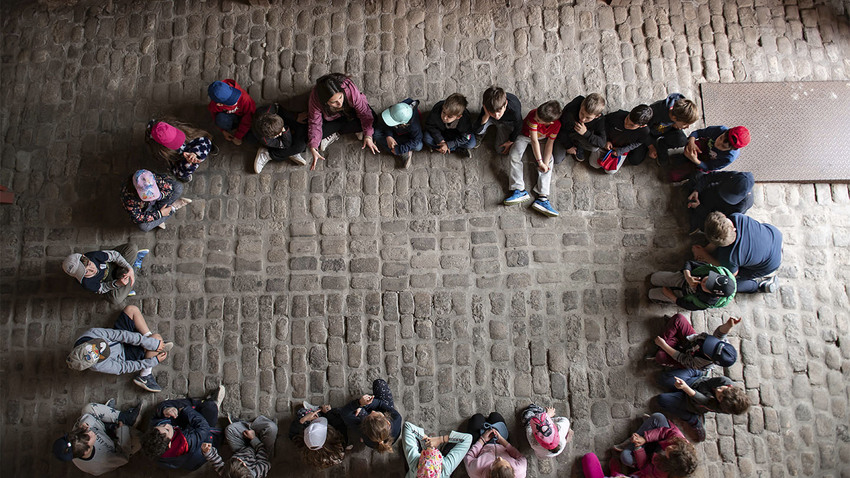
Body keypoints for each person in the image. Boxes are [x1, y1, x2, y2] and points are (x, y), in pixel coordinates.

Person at [66, 305, 172, 392]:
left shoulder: (92, 333)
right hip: (124, 354)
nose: (104, 346)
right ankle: (145, 374)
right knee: (156, 338)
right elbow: (123, 367)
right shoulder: (98, 366)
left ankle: (153, 344)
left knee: (131, 309)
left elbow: (121, 335)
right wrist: (152, 361)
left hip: (119, 340)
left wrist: (149, 342)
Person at [692, 212, 782, 293]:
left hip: (770, 263)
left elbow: (731, 274)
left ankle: (758, 286)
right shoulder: (737, 217)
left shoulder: (730, 256)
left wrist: (705, 255)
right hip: (774, 235)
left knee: (729, 284)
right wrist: (705, 250)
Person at [503, 100, 563, 217]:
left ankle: (542, 197)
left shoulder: (556, 125)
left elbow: (550, 143)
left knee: (550, 160)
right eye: (536, 117)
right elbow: (533, 140)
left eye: (539, 120)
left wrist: (544, 164)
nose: (536, 119)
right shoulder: (533, 115)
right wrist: (539, 161)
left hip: (542, 141)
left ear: (550, 122)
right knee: (514, 154)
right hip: (525, 136)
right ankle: (519, 189)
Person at [142, 386, 225, 471]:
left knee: (172, 408)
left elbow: (156, 415)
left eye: (161, 426)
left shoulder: (157, 448)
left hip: (185, 433)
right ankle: (211, 403)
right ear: (169, 444)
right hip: (203, 440)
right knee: (210, 408)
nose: (166, 425)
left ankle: (199, 404)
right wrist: (186, 410)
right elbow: (203, 427)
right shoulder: (186, 443)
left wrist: (165, 410)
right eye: (167, 430)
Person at [307, 73, 378, 170]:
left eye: (340, 97)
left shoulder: (348, 88)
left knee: (373, 120)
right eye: (334, 102)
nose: (339, 103)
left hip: (350, 112)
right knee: (311, 138)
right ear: (325, 102)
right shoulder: (316, 99)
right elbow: (315, 122)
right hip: (332, 118)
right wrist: (313, 147)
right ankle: (341, 131)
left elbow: (364, 112)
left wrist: (368, 136)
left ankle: (339, 131)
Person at [52, 399, 141, 476]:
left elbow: (88, 418)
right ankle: (115, 423)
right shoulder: (102, 462)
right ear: (87, 451)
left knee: (88, 408)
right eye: (89, 437)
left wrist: (86, 422)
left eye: (84, 431)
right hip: (114, 445)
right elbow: (123, 457)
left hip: (102, 429)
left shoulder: (77, 437)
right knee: (140, 439)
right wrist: (122, 430)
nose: (91, 432)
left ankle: (123, 418)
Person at [652, 314, 740, 388]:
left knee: (660, 356)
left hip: (685, 355)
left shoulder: (702, 364)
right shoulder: (721, 345)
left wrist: (664, 345)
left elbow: (682, 358)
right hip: (691, 340)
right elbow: (720, 333)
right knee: (679, 318)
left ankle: (667, 340)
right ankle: (667, 340)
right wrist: (729, 325)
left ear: (713, 360)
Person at [657, 375, 751, 442]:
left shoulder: (723, 407)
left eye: (720, 397)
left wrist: (685, 388)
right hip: (696, 383)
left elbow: (703, 401)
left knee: (662, 400)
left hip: (694, 403)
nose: (718, 390)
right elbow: (704, 384)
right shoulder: (724, 381)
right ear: (730, 387)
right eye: (723, 389)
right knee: (663, 379)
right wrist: (707, 395)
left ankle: (694, 420)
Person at [610, 413, 698, 477]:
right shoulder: (680, 441)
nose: (670, 447)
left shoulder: (663, 472)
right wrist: (645, 439)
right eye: (674, 447)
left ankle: (637, 437)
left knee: (625, 457)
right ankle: (637, 437)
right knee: (658, 417)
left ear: (669, 463)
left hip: (650, 456)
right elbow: (664, 432)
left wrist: (638, 447)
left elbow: (645, 467)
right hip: (658, 442)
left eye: (669, 452)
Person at [628, 94, 698, 166]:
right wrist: (650, 146)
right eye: (685, 124)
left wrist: (674, 125)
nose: (687, 127)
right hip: (649, 133)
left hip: (666, 130)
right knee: (634, 160)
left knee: (682, 140)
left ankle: (662, 144)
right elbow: (642, 130)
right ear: (674, 118)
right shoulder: (654, 112)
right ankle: (654, 144)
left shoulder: (678, 110)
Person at [62, 245, 148, 304]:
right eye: (86, 272)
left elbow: (115, 256)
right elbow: (103, 288)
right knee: (116, 299)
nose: (92, 270)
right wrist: (117, 283)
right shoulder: (86, 283)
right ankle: (133, 271)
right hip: (109, 280)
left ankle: (127, 285)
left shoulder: (92, 255)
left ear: (86, 257)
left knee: (131, 248)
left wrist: (128, 268)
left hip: (113, 265)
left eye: (89, 264)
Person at [340, 379, 402, 453]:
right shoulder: (396, 418)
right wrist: (366, 404)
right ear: (388, 422)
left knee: (358, 412)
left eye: (370, 414)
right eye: (376, 412)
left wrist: (360, 404)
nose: (373, 411)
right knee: (379, 383)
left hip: (369, 439)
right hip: (383, 414)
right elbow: (380, 404)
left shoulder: (364, 431)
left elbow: (344, 413)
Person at [668, 125, 750, 182]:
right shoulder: (720, 129)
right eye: (721, 138)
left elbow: (709, 167)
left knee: (673, 177)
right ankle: (684, 157)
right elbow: (698, 133)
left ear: (731, 149)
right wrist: (691, 142)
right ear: (725, 132)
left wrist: (694, 160)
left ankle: (688, 163)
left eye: (723, 146)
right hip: (702, 147)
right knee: (685, 151)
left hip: (705, 162)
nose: (718, 143)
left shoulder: (729, 157)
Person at [203, 415, 277, 477]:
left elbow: (217, 462)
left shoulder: (226, 473)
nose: (240, 458)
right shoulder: (257, 471)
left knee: (230, 429)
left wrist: (208, 452)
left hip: (242, 449)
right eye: (240, 460)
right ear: (244, 465)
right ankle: (252, 427)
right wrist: (254, 439)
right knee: (271, 427)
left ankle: (246, 426)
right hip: (261, 451)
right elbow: (263, 456)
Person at [684, 170, 755, 234]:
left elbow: (721, 220)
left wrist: (699, 208)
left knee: (712, 227)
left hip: (714, 211)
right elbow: (712, 176)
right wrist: (697, 190)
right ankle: (692, 202)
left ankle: (693, 211)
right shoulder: (734, 176)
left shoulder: (742, 206)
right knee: (696, 175)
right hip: (712, 191)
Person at [145, 118, 214, 182]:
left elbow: (203, 141)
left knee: (205, 144)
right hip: (181, 160)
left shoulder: (185, 132)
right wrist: (188, 163)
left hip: (192, 144)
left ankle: (208, 147)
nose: (179, 142)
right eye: (174, 142)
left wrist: (194, 153)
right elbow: (176, 170)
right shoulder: (165, 156)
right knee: (182, 172)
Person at [648, 260, 736, 311]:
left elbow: (687, 305)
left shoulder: (706, 301)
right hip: (683, 279)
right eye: (710, 278)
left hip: (684, 295)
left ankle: (666, 301)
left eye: (708, 285)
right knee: (654, 278)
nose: (704, 281)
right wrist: (688, 276)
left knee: (651, 294)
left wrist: (671, 296)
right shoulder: (710, 270)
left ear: (713, 294)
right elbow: (690, 263)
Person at [120, 169, 192, 231]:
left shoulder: (152, 177)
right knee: (144, 227)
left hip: (160, 199)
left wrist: (160, 196)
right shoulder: (129, 197)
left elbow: (168, 188)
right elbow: (137, 217)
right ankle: (173, 208)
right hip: (146, 209)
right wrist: (159, 214)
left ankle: (158, 218)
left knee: (178, 187)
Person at [462, 411, 527, 478]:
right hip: (501, 444)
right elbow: (521, 457)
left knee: (477, 418)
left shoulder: (476, 470)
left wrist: (482, 440)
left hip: (482, 446)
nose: (500, 458)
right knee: (495, 416)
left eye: (495, 462)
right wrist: (502, 441)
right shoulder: (520, 470)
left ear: (490, 473)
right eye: (506, 462)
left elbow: (469, 456)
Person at [251, 103, 309, 173]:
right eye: (279, 134)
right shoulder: (265, 139)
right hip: (282, 140)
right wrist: (284, 131)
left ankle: (291, 151)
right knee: (300, 147)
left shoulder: (271, 109)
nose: (280, 133)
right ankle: (268, 154)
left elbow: (280, 109)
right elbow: (286, 144)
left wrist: (295, 117)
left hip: (284, 121)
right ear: (271, 137)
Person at [401, 421, 472, 477]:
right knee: (451, 445)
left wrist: (425, 437)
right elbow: (467, 439)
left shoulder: (414, 463)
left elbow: (408, 427)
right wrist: (441, 439)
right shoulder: (446, 469)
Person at [289, 402, 348, 469]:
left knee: (301, 412)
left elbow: (293, 434)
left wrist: (303, 420)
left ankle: (315, 411)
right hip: (329, 419)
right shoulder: (339, 444)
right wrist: (329, 413)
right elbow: (340, 425)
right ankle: (322, 410)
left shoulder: (302, 446)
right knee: (336, 412)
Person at [596, 105, 652, 174]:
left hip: (621, 148)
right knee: (594, 164)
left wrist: (621, 151)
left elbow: (638, 143)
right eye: (627, 119)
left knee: (610, 171)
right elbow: (603, 123)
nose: (626, 124)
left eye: (632, 125)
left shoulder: (644, 132)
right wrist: (605, 140)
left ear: (642, 126)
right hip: (606, 142)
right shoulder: (618, 115)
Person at [552, 93, 606, 164]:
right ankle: (573, 145)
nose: (583, 119)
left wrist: (586, 133)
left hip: (580, 136)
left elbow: (602, 143)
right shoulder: (572, 108)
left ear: (597, 116)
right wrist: (568, 146)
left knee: (594, 148)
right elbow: (560, 126)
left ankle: (578, 145)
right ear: (581, 105)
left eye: (588, 118)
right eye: (582, 113)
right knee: (557, 160)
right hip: (565, 133)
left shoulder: (599, 120)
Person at [372, 98, 424, 168]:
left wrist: (400, 149)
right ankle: (402, 151)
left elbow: (417, 139)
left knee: (419, 146)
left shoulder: (414, 127)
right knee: (376, 134)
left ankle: (401, 150)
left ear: (404, 124)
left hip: (406, 136)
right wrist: (389, 136)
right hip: (393, 132)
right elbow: (387, 124)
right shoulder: (398, 109)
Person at [423, 93, 477, 158]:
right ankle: (449, 148)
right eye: (443, 112)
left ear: (458, 117)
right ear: (443, 106)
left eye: (449, 116)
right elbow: (429, 125)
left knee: (471, 143)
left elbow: (465, 137)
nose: (444, 118)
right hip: (441, 134)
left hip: (455, 136)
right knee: (427, 138)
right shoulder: (436, 111)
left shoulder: (465, 120)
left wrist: (448, 144)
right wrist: (440, 140)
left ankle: (445, 148)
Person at [474, 86, 523, 154]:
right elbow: (477, 129)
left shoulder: (514, 109)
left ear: (505, 104)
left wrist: (511, 141)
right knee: (478, 131)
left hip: (506, 122)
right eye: (492, 112)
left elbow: (519, 125)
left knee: (500, 150)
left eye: (499, 112)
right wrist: (487, 115)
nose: (497, 116)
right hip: (490, 118)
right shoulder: (488, 107)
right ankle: (482, 135)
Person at [207, 79, 256, 146]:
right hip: (231, 116)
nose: (236, 101)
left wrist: (238, 136)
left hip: (245, 115)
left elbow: (249, 116)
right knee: (220, 120)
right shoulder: (215, 106)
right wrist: (223, 131)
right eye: (230, 102)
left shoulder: (245, 99)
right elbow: (214, 114)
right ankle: (237, 128)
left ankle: (241, 130)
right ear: (219, 104)